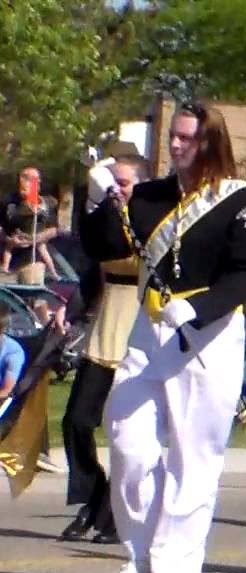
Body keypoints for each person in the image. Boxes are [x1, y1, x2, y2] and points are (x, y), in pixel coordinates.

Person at [82, 101, 246, 573]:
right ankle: (139, 553)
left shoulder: (239, 199)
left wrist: (204, 307)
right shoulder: (148, 196)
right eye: (174, 137)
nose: (178, 145)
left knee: (193, 452)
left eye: (188, 138)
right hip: (149, 328)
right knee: (126, 439)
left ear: (211, 142)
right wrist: (98, 203)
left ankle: (178, 567)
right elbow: (106, 247)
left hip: (207, 332)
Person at [60, 154, 149, 544]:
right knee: (76, 421)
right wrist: (70, 309)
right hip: (104, 336)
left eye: (125, 183)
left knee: (126, 435)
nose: (117, 189)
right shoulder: (104, 222)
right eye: (113, 182)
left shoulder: (151, 223)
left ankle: (116, 513)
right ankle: (96, 498)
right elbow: (96, 260)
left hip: (140, 340)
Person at [1, 166, 62, 279]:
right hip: (12, 259)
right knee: (8, 248)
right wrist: (8, 239)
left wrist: (34, 239)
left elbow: (54, 229)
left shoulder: (45, 203)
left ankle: (53, 273)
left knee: (44, 251)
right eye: (24, 177)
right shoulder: (7, 202)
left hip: (36, 266)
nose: (24, 181)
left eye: (31, 179)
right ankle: (5, 267)